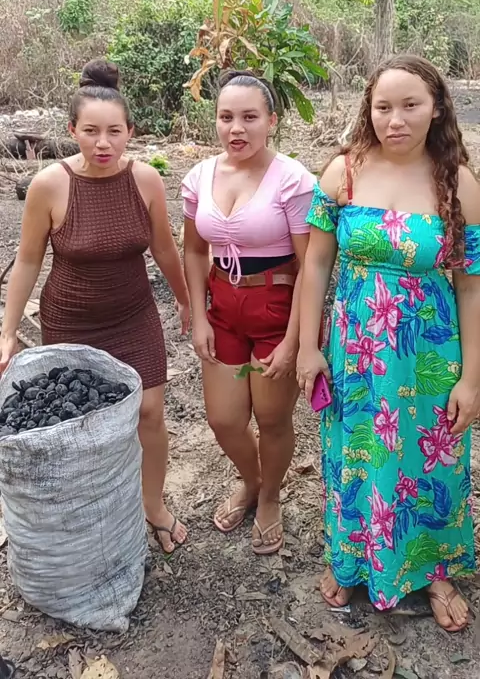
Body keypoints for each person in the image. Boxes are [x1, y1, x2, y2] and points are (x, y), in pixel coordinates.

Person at [297, 54, 480, 632]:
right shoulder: (343, 171)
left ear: (437, 109)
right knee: (357, 453)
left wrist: (472, 377)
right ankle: (352, 560)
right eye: (383, 107)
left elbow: (471, 286)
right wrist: (308, 346)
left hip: (430, 353)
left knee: (432, 459)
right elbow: (315, 265)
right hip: (356, 350)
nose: (394, 119)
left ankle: (434, 568)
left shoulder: (459, 182)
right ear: (368, 109)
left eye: (410, 105)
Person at [0, 59, 190, 554]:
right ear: (72, 131)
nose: (103, 143)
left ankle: (153, 505)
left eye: (114, 132)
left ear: (130, 132)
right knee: (80, 423)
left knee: (149, 411)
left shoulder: (146, 180)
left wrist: (187, 300)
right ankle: (91, 512)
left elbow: (164, 248)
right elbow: (28, 259)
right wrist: (8, 330)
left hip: (133, 314)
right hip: (70, 320)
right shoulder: (49, 185)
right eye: (90, 132)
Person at [182, 69, 316, 555]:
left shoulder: (293, 180)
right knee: (224, 419)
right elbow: (193, 250)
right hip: (223, 305)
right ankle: (253, 479)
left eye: (249, 117)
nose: (236, 128)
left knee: (272, 417)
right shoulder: (200, 176)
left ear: (271, 121)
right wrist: (199, 316)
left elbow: (311, 265)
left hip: (277, 307)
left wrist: (295, 340)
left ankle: (271, 497)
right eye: (226, 117)